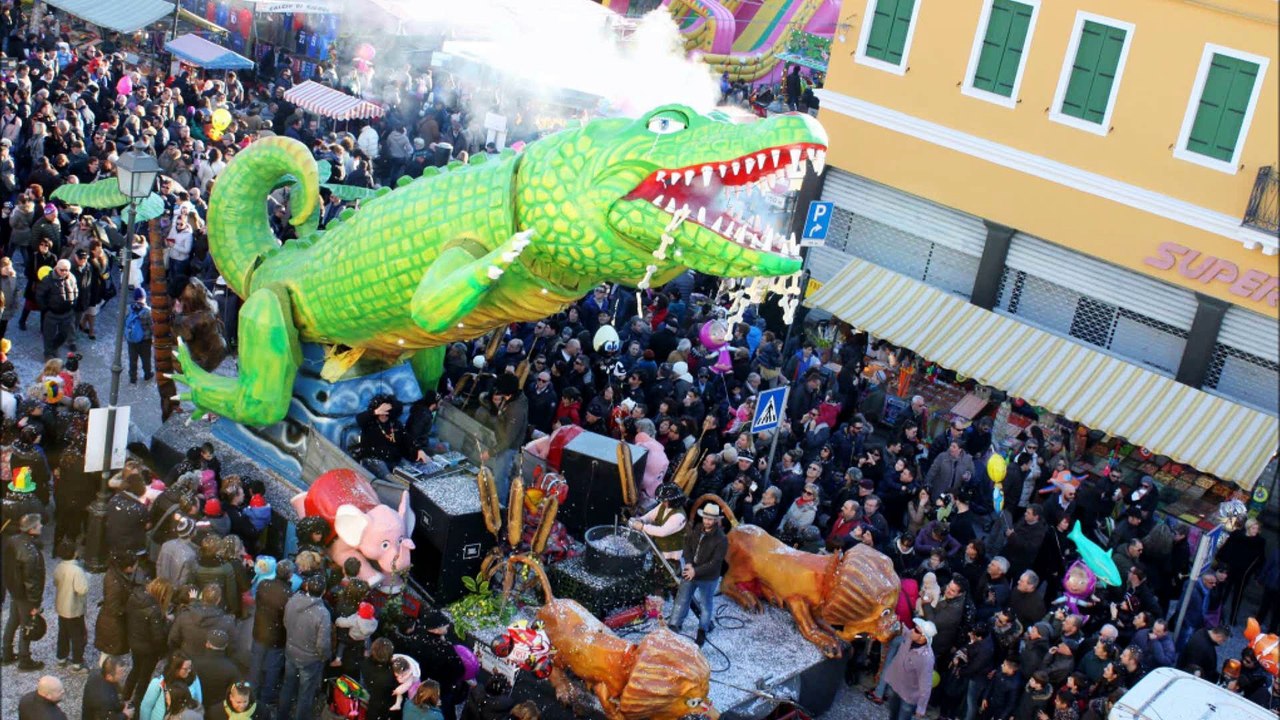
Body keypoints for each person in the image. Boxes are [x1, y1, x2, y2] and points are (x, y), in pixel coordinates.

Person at [670, 500, 729, 646]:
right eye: (705, 518)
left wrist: (695, 571)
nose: (707, 521)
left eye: (710, 519)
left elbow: (715, 563)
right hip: (691, 570)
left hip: (708, 577)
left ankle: (702, 630)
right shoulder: (697, 528)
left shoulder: (721, 539)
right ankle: (674, 625)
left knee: (705, 605)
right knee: (681, 599)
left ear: (716, 520)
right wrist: (689, 563)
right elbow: (687, 545)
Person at [277, 576, 331, 720]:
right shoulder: (323, 613)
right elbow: (323, 644)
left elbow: (285, 622)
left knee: (287, 686)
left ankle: (281, 715)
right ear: (324, 591)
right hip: (310, 660)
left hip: (291, 652)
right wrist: (324, 657)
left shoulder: (293, 600)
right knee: (305, 694)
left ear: (307, 587)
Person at [3, 512, 46, 670]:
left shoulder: (12, 540)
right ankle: (25, 660)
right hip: (26, 595)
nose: (41, 526)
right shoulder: (30, 552)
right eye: (39, 524)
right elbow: (32, 581)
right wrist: (35, 603)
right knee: (27, 626)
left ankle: (6, 653)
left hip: (15, 590)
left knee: (13, 620)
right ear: (32, 529)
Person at [355, 394, 429, 479]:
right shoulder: (369, 423)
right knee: (390, 478)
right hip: (373, 459)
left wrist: (418, 450)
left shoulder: (395, 424)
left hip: (394, 459)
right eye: (381, 413)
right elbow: (359, 419)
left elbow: (407, 438)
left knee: (411, 474)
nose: (383, 415)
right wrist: (375, 412)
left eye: (387, 412)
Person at [126, 578, 175, 708]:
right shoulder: (155, 610)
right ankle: (136, 704)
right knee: (144, 677)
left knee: (135, 669)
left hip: (134, 642)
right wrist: (167, 623)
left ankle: (125, 696)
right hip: (149, 650)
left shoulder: (135, 598)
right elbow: (158, 637)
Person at [883, 618, 937, 720]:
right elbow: (904, 629)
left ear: (923, 637)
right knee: (892, 715)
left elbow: (926, 685)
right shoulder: (909, 636)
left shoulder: (927, 658)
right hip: (895, 686)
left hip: (908, 697)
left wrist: (921, 708)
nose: (912, 630)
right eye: (914, 628)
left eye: (916, 630)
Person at [52, 537, 89, 671]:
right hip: (74, 610)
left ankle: (61, 657)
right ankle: (77, 662)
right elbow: (82, 589)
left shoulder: (59, 567)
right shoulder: (77, 570)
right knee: (78, 636)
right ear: (75, 553)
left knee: (63, 634)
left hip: (62, 608)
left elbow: (55, 582)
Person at [140, 652, 205, 720]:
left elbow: (198, 700)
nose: (189, 671)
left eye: (190, 667)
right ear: (176, 669)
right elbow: (146, 707)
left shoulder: (193, 680)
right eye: (185, 669)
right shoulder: (158, 682)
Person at [193, 629, 240, 720]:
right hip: (220, 711)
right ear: (226, 645)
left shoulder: (195, 663)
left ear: (207, 644)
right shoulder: (232, 668)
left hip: (198, 707)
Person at [82, 654, 129, 720]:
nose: (123, 674)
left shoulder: (95, 673)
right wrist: (125, 715)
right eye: (120, 673)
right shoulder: (105, 699)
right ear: (109, 676)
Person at [125, 287, 154, 383]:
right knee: (146, 360)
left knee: (132, 360)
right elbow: (152, 327)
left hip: (131, 339)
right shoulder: (148, 311)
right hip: (145, 340)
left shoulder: (129, 308)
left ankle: (133, 377)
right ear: (144, 297)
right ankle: (147, 374)